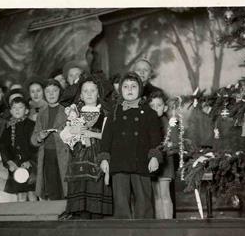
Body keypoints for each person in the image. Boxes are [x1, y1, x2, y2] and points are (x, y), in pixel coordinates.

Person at [99, 72, 163, 219]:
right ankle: (123, 233)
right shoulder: (114, 112)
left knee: (144, 200)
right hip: (119, 162)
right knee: (120, 201)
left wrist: (154, 157)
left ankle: (145, 232)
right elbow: (106, 137)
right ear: (120, 90)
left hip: (141, 162)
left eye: (134, 86)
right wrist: (104, 158)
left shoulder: (149, 113)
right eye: (126, 86)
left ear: (140, 89)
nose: (129, 89)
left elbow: (155, 138)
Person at [62, 74, 112, 219]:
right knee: (80, 193)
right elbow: (67, 135)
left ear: (98, 93)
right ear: (81, 95)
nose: (89, 94)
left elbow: (108, 136)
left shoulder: (104, 113)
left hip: (98, 154)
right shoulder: (75, 113)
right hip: (78, 156)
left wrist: (91, 134)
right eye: (85, 91)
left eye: (93, 90)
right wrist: (73, 132)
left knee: (95, 190)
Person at [31, 79, 69, 200]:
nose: (51, 94)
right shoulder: (42, 114)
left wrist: (64, 134)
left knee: (66, 189)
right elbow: (33, 139)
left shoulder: (67, 111)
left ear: (60, 92)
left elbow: (75, 135)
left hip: (64, 156)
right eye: (48, 91)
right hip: (47, 155)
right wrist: (39, 137)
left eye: (55, 91)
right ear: (43, 94)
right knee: (52, 190)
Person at [0, 96, 37, 202]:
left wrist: (30, 161)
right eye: (14, 108)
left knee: (32, 192)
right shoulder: (8, 127)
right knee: (21, 194)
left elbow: (37, 146)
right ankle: (22, 217)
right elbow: (3, 146)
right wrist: (9, 162)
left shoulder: (32, 126)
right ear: (10, 110)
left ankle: (34, 216)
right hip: (15, 166)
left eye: (20, 107)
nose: (17, 110)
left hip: (30, 166)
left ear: (27, 110)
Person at [148, 92, 178, 219]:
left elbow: (175, 145)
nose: (155, 109)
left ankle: (168, 223)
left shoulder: (169, 123)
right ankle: (160, 224)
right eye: (152, 106)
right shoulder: (149, 123)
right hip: (153, 164)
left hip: (165, 164)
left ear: (165, 108)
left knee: (165, 194)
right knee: (156, 195)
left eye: (159, 105)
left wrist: (164, 151)